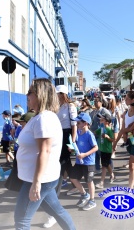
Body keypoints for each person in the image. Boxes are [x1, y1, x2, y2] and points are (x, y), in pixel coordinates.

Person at [14, 78, 75, 230]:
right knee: (57, 211)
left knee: (21, 220)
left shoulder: (44, 119)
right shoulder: (40, 117)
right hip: (41, 178)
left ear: (40, 95)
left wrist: (36, 183)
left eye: (30, 92)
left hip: (39, 178)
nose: (26, 95)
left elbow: (45, 151)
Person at [43, 85, 77, 229]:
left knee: (59, 168)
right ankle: (80, 188)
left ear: (64, 94)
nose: (56, 96)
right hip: (56, 135)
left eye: (58, 94)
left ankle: (53, 211)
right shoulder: (55, 106)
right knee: (62, 169)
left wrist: (72, 142)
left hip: (66, 137)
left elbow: (74, 125)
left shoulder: (70, 107)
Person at [69, 113, 98, 211]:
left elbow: (96, 147)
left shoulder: (89, 134)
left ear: (85, 123)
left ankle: (92, 200)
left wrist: (85, 154)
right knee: (73, 178)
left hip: (88, 162)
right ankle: (84, 194)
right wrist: (72, 149)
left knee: (89, 181)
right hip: (78, 161)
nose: (77, 123)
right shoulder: (78, 132)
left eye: (79, 122)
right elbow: (76, 146)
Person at [89, 97, 110, 174]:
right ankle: (97, 168)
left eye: (97, 101)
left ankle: (109, 167)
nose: (95, 103)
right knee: (96, 151)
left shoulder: (104, 111)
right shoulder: (94, 111)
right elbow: (90, 120)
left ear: (101, 102)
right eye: (94, 101)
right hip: (94, 133)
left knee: (103, 152)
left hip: (102, 133)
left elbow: (109, 120)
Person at [94, 113, 115, 189]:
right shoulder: (101, 128)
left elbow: (113, 139)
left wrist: (107, 137)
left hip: (107, 150)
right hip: (102, 149)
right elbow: (95, 132)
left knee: (103, 166)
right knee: (106, 163)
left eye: (102, 120)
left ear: (107, 122)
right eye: (100, 120)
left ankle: (101, 182)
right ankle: (112, 175)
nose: (100, 121)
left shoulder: (109, 130)